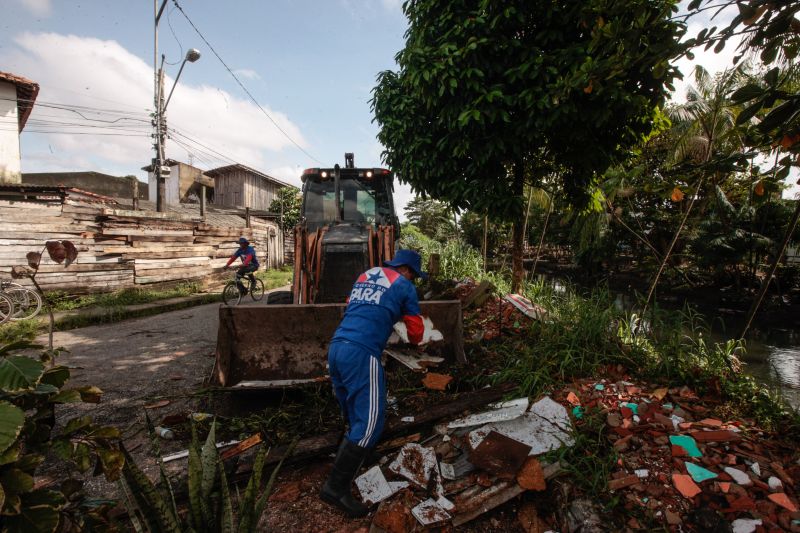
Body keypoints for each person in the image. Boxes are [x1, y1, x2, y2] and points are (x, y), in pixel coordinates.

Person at [320, 249, 427, 517]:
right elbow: (416, 334)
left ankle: (357, 458)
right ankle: (335, 488)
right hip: (362, 352)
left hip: (337, 348)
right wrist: (403, 320)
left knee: (354, 410)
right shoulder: (404, 286)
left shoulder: (366, 275)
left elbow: (354, 306)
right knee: (371, 423)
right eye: (413, 274)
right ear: (407, 270)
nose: (412, 279)